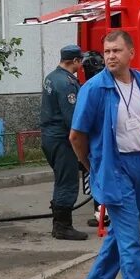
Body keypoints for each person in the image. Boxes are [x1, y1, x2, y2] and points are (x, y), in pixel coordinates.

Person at [69, 30, 140, 279]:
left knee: (120, 234)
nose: (110, 56)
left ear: (131, 53)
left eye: (116, 50)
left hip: (139, 165)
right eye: (106, 51)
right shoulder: (94, 89)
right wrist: (92, 166)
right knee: (131, 242)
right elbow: (76, 136)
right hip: (113, 168)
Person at [40, 44, 88, 241]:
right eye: (81, 60)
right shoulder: (67, 83)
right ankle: (62, 227)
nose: (82, 63)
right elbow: (73, 118)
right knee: (67, 182)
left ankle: (59, 224)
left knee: (61, 179)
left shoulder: (51, 76)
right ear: (74, 61)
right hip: (62, 139)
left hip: (50, 137)